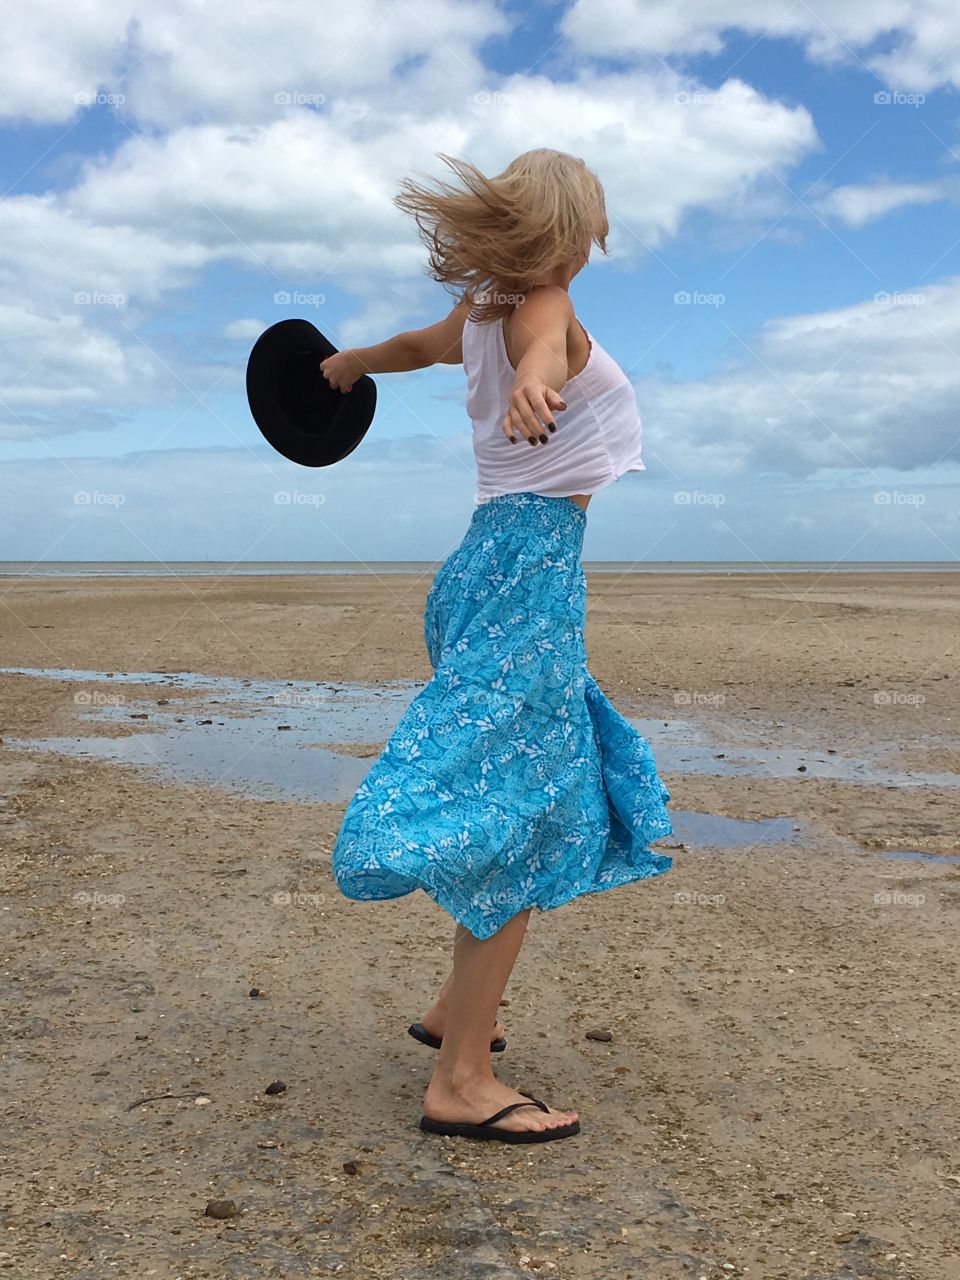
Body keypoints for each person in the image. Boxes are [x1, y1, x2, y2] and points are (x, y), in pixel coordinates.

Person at [319, 149, 673, 1144]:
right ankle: (461, 1078)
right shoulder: (541, 305)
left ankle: (452, 1011)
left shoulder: (473, 318)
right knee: (518, 815)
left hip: (480, 570)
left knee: (540, 789)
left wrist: (347, 363)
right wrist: (533, 382)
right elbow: (545, 343)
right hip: (527, 578)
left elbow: (409, 345)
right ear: (568, 237)